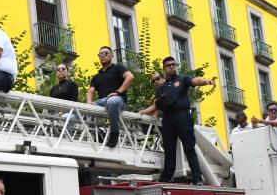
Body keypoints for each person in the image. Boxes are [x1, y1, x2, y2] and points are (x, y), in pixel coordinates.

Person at [139, 56, 214, 185]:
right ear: (164, 68)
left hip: (182, 116)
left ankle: (197, 179)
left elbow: (195, 81)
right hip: (167, 119)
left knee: (189, 148)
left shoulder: (182, 79)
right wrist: (143, 112)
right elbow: (157, 105)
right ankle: (166, 179)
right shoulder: (161, 86)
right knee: (169, 151)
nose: (172, 67)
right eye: (169, 65)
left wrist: (205, 81)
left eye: (173, 64)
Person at [86, 46, 134, 148]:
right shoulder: (96, 76)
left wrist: (118, 91)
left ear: (112, 55)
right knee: (84, 109)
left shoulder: (118, 68)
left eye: (105, 53)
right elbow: (90, 91)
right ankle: (97, 133)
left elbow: (130, 77)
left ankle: (114, 133)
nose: (102, 56)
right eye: (100, 54)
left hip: (118, 99)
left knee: (112, 102)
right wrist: (89, 103)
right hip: (102, 101)